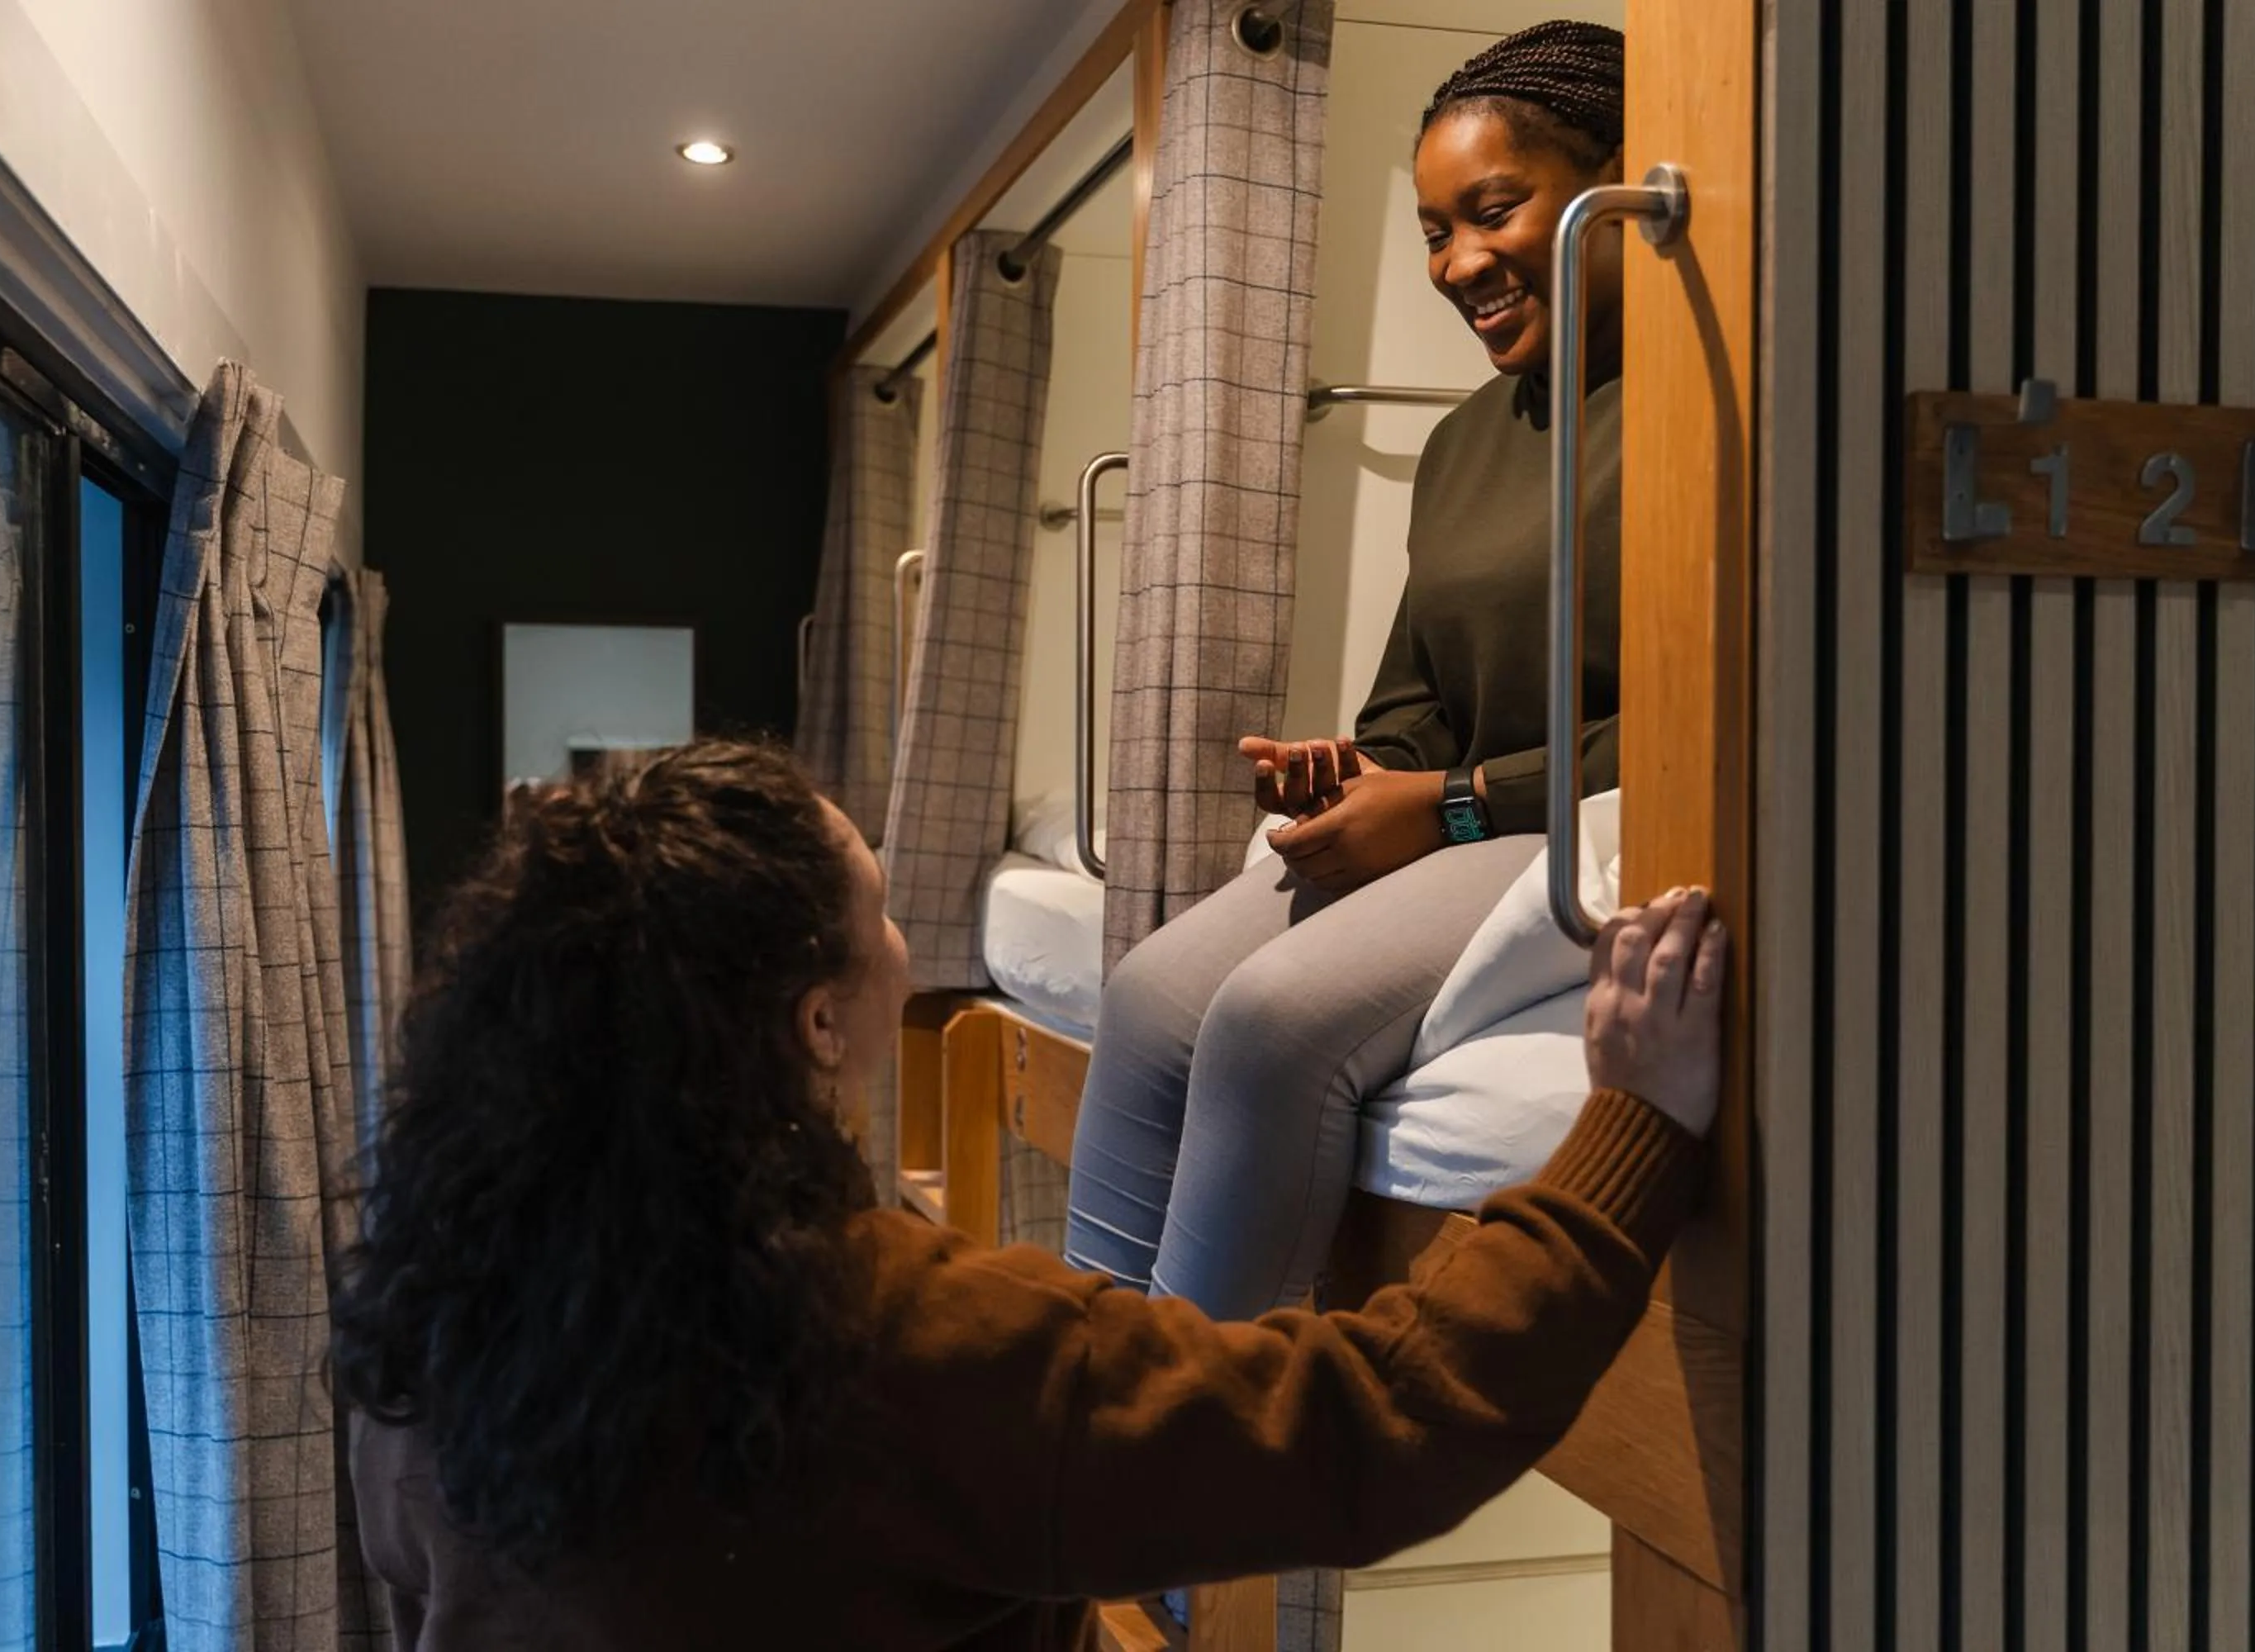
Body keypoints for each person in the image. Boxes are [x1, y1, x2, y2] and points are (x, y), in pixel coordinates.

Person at [336, 740, 1724, 1652]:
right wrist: (1629, 1126)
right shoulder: (907, 1343)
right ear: (819, 1023)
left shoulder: (432, 1319)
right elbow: (1387, 1418)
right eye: (880, 911)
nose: (904, 944)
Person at [1061, 19, 1631, 1317]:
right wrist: (1353, 775)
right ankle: (1079, 1420)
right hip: (1470, 820)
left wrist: (1449, 804)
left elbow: (1717, 725)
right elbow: (1410, 709)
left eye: (1495, 211)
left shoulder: (1724, 406)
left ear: (1623, 187)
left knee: (1271, 1024)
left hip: (1589, 832)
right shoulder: (1468, 440)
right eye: (1437, 230)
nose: (1460, 263)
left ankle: (1213, 1475)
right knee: (1151, 994)